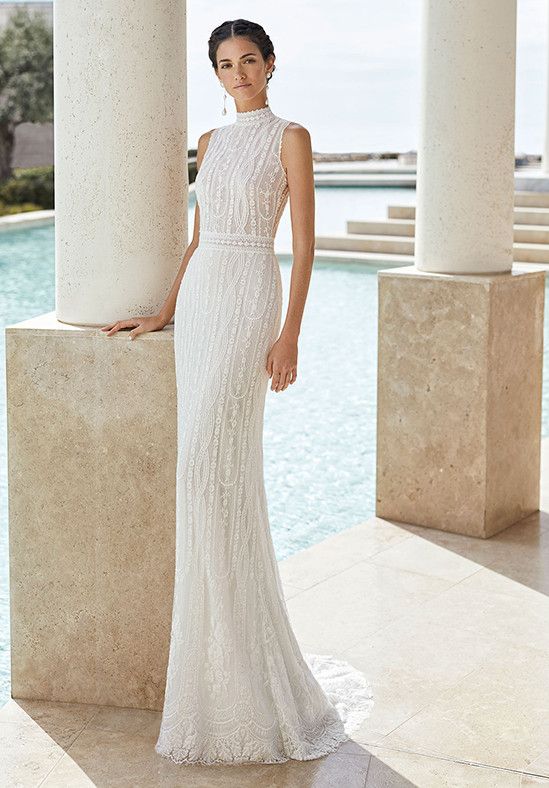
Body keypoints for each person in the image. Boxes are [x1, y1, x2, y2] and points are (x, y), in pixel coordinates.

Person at [100, 18, 373, 765]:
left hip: (252, 293)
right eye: (225, 63)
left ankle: (245, 677)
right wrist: (164, 312)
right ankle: (215, 672)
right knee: (205, 480)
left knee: (212, 472)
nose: (239, 72)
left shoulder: (292, 136)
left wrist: (290, 334)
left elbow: (308, 243)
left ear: (271, 64)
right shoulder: (211, 143)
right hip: (203, 302)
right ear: (215, 73)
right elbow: (197, 237)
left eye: (249, 60)